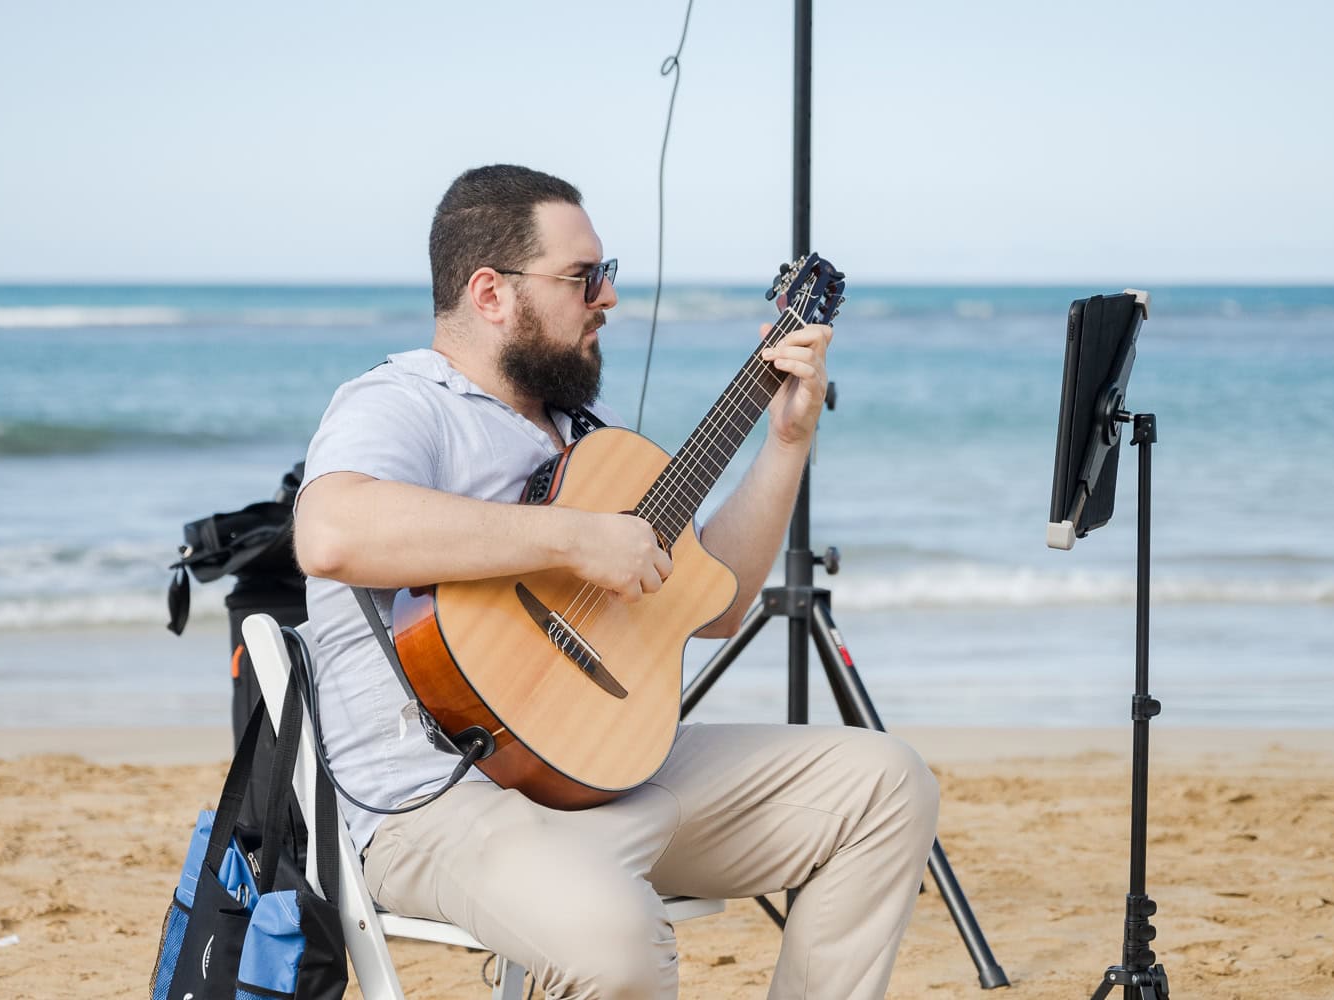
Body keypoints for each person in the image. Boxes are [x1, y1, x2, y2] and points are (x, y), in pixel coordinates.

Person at [293, 164, 939, 999]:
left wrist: (786, 442)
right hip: (439, 801)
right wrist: (574, 540)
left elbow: (717, 603)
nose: (608, 299)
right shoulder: (402, 402)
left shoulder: (582, 440)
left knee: (885, 785)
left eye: (608, 274)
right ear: (491, 293)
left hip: (601, 774)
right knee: (620, 943)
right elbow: (332, 531)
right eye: (583, 277)